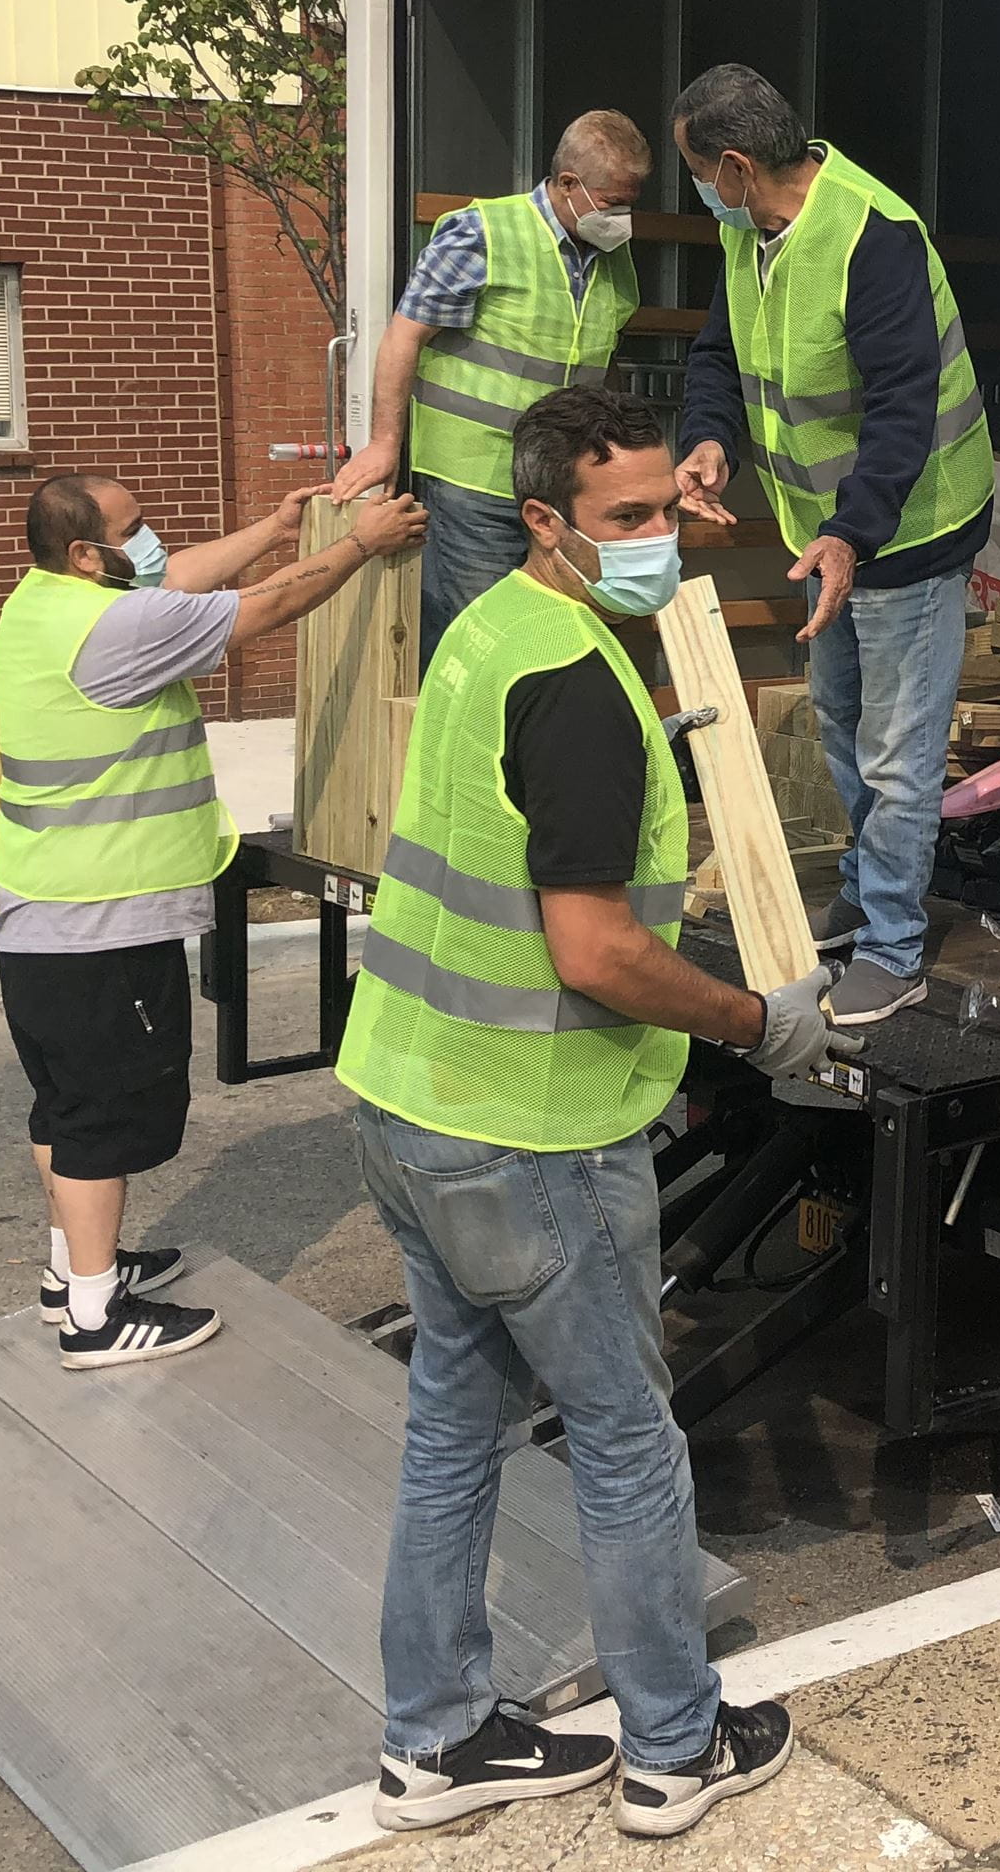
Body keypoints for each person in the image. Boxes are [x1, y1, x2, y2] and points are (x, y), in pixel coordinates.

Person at [337, 384, 854, 1837]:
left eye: (664, 513)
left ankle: (434, 1743)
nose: (657, 542)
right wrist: (760, 1025)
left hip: (408, 1101)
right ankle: (675, 1749)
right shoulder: (576, 682)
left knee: (454, 1425)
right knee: (627, 1443)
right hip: (531, 1135)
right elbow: (596, 954)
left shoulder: (486, 633)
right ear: (548, 521)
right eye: (623, 521)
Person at [0, 471, 426, 1367]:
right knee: (102, 1121)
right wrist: (357, 544)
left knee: (65, 1109)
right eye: (133, 529)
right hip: (104, 923)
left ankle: (76, 1272)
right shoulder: (113, 630)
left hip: (45, 916)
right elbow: (261, 611)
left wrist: (273, 525)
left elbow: (179, 579)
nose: (149, 541)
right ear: (87, 553)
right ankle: (94, 1320)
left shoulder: (45, 603)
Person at [667, 62, 994, 1030]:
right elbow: (718, 352)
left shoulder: (870, 235)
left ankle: (893, 950)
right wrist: (708, 436)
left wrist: (852, 532)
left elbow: (902, 407)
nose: (697, 195)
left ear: (732, 168)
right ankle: (866, 890)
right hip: (829, 536)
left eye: (695, 174)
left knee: (896, 752)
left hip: (910, 529)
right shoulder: (753, 232)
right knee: (843, 719)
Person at [332, 109, 650, 648]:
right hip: (474, 483)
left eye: (629, 204)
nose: (621, 217)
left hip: (559, 485)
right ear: (568, 184)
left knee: (546, 639)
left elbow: (598, 363)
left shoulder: (611, 260)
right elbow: (404, 336)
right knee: (474, 640)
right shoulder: (482, 234)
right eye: (611, 202)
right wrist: (385, 443)